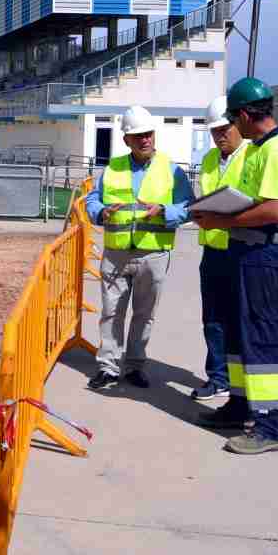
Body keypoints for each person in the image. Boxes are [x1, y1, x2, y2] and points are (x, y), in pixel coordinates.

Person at [192, 77, 278, 454]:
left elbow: (275, 208)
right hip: (247, 256)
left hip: (265, 258)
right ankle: (240, 406)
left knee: (260, 337)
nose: (231, 128)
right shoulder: (260, 149)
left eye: (232, 120)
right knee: (240, 336)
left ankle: (269, 426)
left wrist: (222, 221)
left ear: (243, 114)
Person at [84, 105, 194, 391]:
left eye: (148, 134)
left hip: (153, 254)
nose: (144, 139)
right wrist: (101, 212)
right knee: (111, 312)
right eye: (137, 136)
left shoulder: (172, 171)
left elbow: (188, 207)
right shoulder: (112, 169)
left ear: (153, 135)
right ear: (126, 141)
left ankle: (134, 365)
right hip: (116, 253)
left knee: (144, 314)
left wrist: (164, 212)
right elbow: (92, 200)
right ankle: (108, 368)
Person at [190, 96, 250, 401]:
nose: (219, 136)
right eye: (214, 131)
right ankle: (218, 377)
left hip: (241, 250)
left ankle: (241, 383)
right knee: (212, 318)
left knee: (238, 319)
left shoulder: (253, 155)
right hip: (213, 250)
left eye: (224, 129)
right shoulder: (210, 160)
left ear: (238, 125)